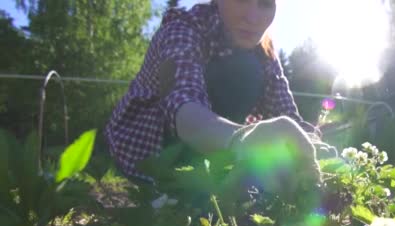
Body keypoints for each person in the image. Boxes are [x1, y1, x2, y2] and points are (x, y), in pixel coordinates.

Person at [104, 0, 322, 200]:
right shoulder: (184, 28)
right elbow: (182, 102)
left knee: (248, 67)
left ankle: (210, 183)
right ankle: (180, 190)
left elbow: (288, 116)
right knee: (244, 70)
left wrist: (320, 151)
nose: (253, 17)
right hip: (146, 148)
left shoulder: (264, 52)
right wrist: (241, 140)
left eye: (265, 3)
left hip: (215, 141)